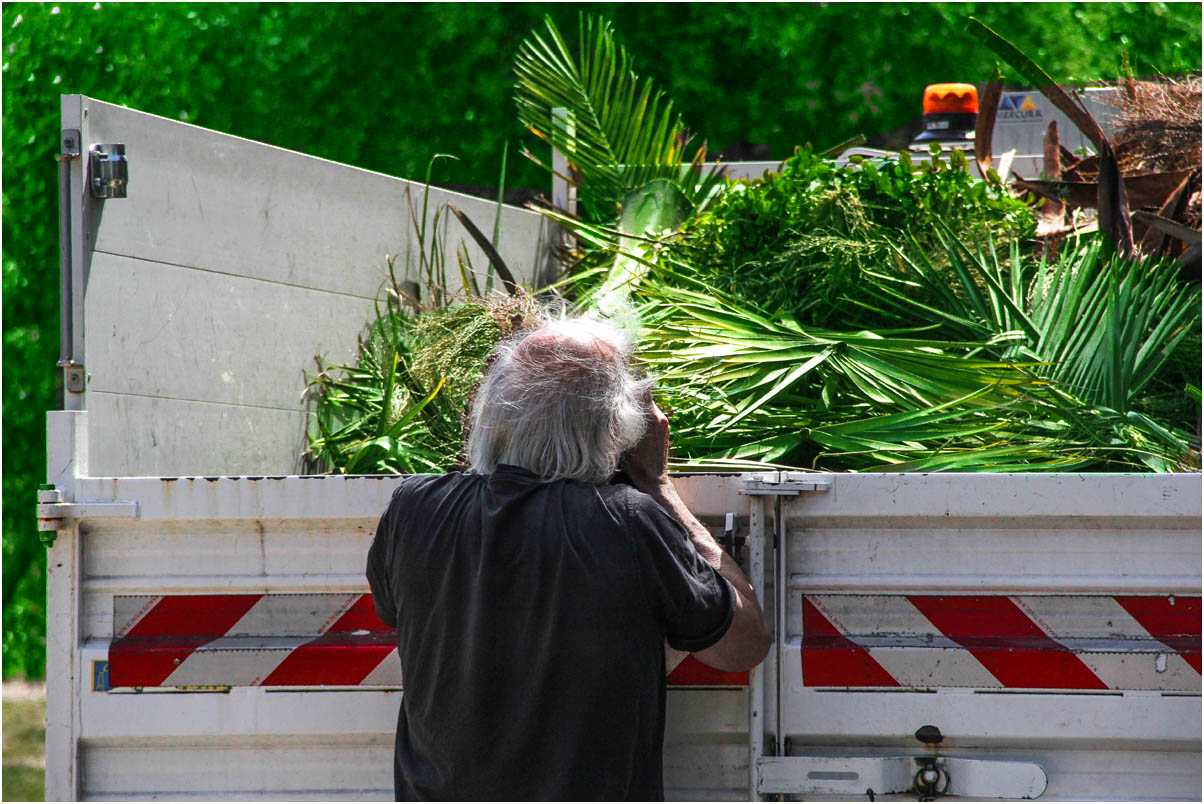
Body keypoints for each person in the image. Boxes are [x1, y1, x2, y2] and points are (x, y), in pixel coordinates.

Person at [366, 315, 771, 801]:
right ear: (617, 432)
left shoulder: (412, 510)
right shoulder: (628, 522)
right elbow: (743, 645)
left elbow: (402, 612)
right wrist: (659, 485)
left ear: (491, 417)